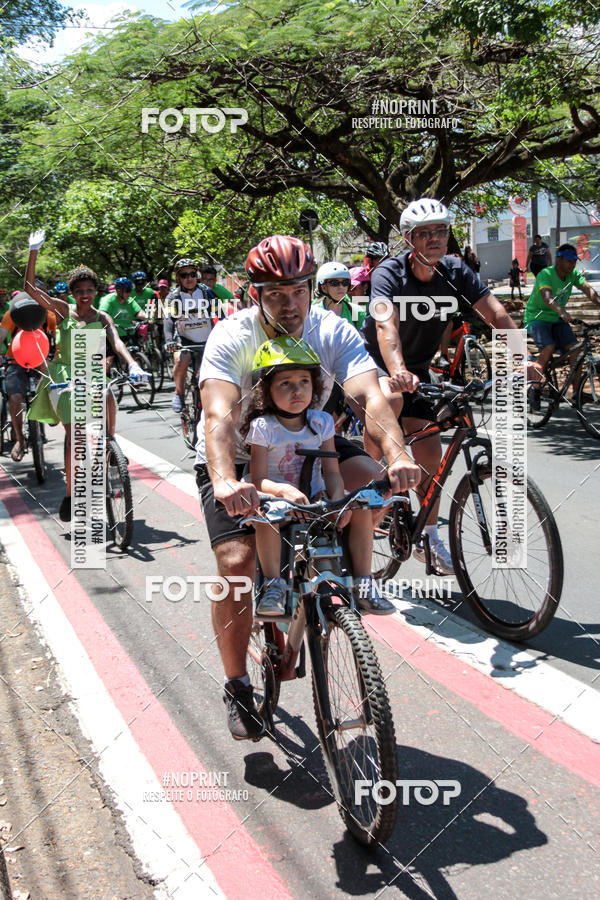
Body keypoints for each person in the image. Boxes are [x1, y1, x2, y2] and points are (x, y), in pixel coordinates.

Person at [196, 234, 420, 740]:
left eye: (297, 290)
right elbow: (219, 416)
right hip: (242, 455)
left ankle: (324, 583)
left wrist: (400, 453)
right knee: (236, 564)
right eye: (274, 294)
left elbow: (369, 398)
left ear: (311, 288)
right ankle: (236, 684)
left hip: (313, 445)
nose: (289, 303)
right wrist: (225, 480)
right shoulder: (232, 335)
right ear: (255, 295)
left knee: (374, 487)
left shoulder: (331, 329)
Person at [361, 197, 542, 575]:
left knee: (430, 454)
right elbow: (385, 327)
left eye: (440, 231)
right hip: (375, 366)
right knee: (391, 400)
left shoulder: (457, 272)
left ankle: (428, 536)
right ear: (409, 239)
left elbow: (496, 313)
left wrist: (520, 357)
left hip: (418, 371)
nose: (434, 239)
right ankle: (367, 478)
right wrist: (396, 370)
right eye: (424, 233)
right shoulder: (389, 274)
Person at [243, 337, 382, 616]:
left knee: (361, 506)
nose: (297, 390)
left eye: (304, 381)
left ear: (315, 384)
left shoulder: (322, 422)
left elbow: (331, 470)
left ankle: (363, 582)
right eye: (286, 383)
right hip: (279, 500)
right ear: (267, 390)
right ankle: (273, 585)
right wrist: (283, 491)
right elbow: (257, 479)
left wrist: (339, 498)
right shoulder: (263, 427)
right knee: (268, 517)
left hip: (314, 499)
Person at [24, 230, 148, 521]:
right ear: (72, 293)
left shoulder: (102, 317)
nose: (83, 295)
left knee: (108, 394)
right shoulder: (64, 311)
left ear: (96, 291)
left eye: (89, 290)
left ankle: (110, 444)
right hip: (65, 376)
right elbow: (30, 288)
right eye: (78, 291)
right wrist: (34, 251)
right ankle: (70, 493)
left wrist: (133, 364)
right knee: (75, 435)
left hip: (93, 374)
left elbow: (116, 342)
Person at [523, 244, 600, 402]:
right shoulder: (546, 274)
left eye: (574, 261)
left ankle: (576, 392)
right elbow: (547, 296)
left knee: (576, 350)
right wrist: (561, 311)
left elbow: (589, 291)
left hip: (556, 319)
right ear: (559, 259)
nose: (573, 264)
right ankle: (535, 388)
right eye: (569, 261)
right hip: (536, 318)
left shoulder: (573, 275)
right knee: (548, 347)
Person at [0, 297, 57, 461]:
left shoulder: (49, 315)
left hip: (42, 358)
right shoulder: (11, 314)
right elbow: (1, 336)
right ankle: (20, 440)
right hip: (15, 360)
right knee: (15, 398)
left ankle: (53, 411)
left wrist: (58, 355)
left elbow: (58, 334)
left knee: (52, 377)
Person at [163, 259, 212, 413]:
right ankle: (179, 393)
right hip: (185, 339)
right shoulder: (174, 297)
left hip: (206, 338)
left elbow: (221, 313)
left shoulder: (206, 293)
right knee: (182, 359)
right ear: (178, 278)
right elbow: (168, 320)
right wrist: (169, 340)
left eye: (192, 274)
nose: (189, 278)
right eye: (184, 275)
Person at [98, 278, 147, 366]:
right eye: (127, 290)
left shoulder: (130, 300)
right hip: (110, 335)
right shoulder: (109, 300)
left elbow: (139, 312)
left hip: (127, 333)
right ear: (118, 290)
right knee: (108, 363)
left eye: (130, 290)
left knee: (134, 351)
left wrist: (148, 318)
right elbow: (103, 313)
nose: (129, 293)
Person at [313, 261, 366, 329]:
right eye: (334, 283)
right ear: (324, 288)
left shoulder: (357, 311)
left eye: (345, 283)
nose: (341, 287)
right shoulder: (313, 314)